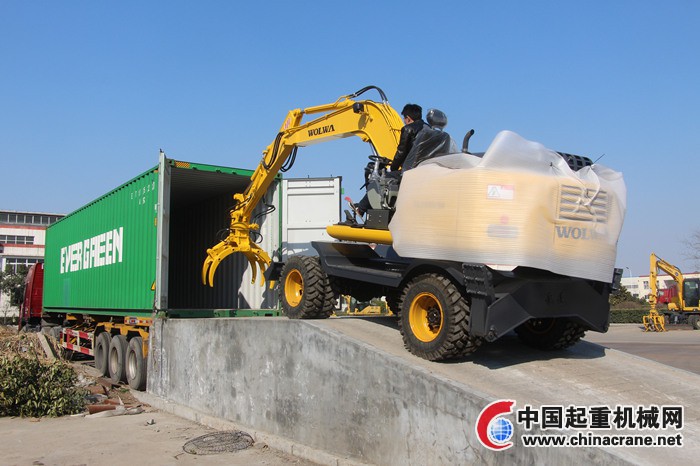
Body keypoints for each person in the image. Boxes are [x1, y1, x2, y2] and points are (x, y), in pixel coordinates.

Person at [355, 103, 426, 216]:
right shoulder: (429, 129)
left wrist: (392, 168)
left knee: (380, 180)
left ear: (408, 118)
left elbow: (401, 153)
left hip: (410, 171)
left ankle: (360, 209)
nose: (404, 121)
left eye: (404, 119)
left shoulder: (408, 129)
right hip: (424, 169)